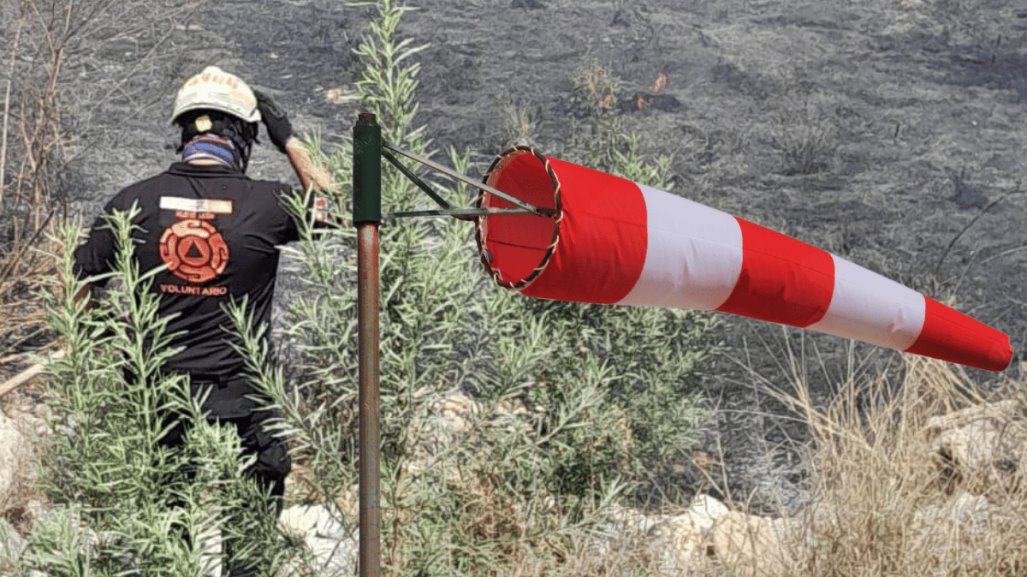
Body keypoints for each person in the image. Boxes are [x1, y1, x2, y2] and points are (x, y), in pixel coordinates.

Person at [72, 65, 333, 575]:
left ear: (185, 132)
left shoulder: (133, 203)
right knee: (250, 552)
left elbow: (76, 287)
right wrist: (291, 140)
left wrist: (116, 336)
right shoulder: (268, 205)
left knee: (169, 549)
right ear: (242, 137)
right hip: (245, 403)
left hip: (160, 401)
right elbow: (338, 208)